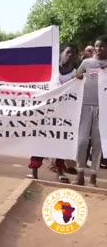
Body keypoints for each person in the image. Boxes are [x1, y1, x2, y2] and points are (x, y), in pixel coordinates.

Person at [27, 45, 78, 183]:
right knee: (40, 139)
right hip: (46, 112)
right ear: (61, 53)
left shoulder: (75, 73)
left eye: (73, 53)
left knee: (60, 141)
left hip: (64, 113)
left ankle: (60, 171)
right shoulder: (51, 69)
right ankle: (34, 170)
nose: (70, 55)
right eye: (68, 52)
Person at [74, 35, 107, 187]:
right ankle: (79, 173)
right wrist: (79, 76)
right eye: (97, 46)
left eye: (102, 46)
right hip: (85, 106)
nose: (99, 48)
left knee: (97, 143)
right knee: (81, 142)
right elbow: (76, 77)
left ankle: (93, 176)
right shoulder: (87, 62)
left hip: (103, 109)